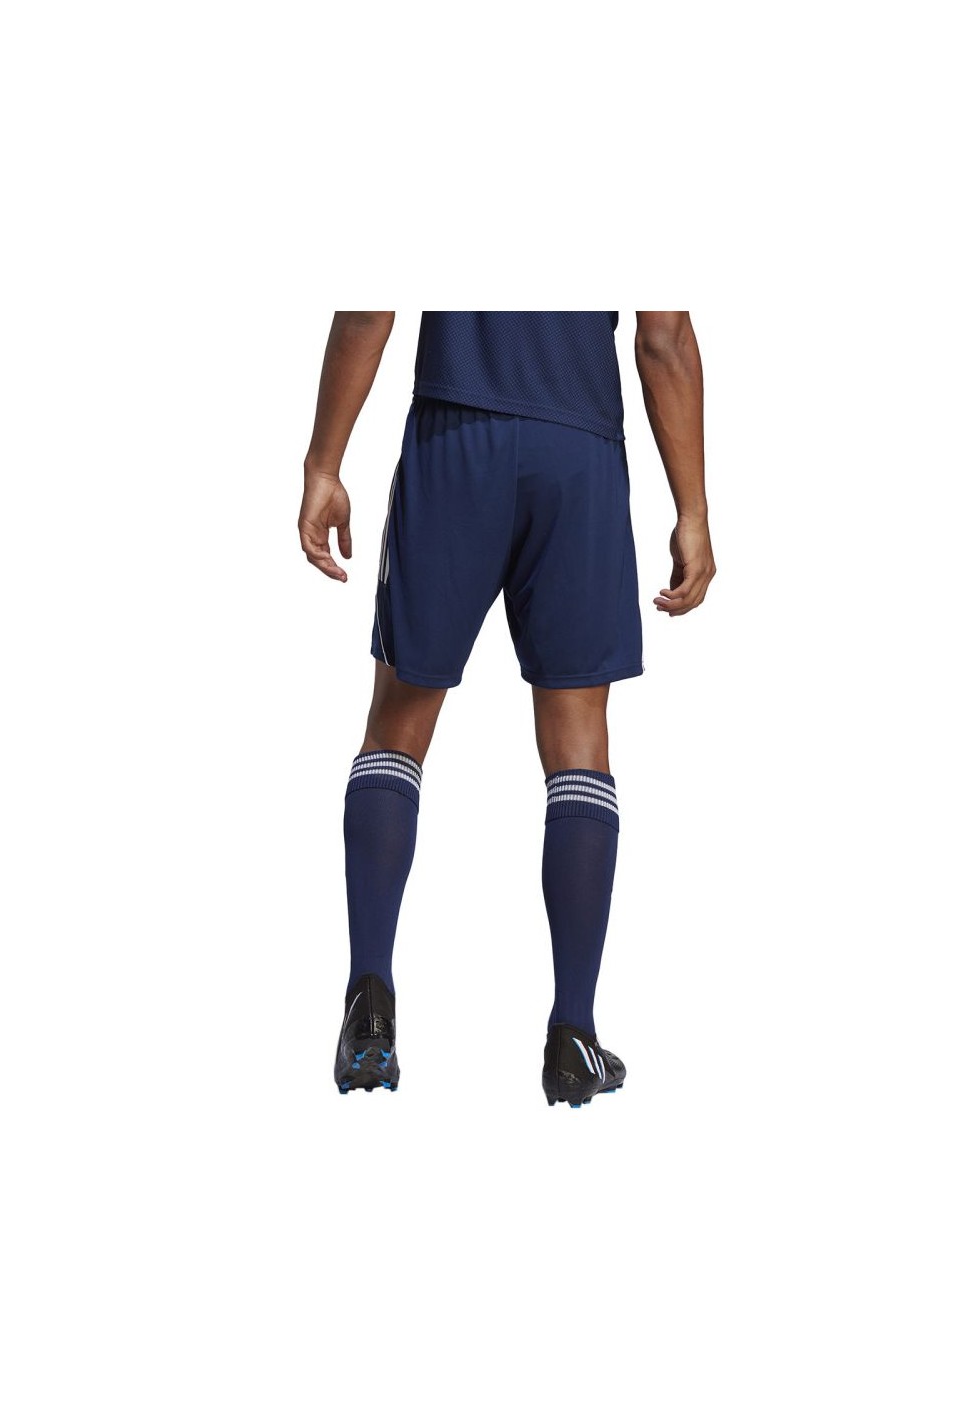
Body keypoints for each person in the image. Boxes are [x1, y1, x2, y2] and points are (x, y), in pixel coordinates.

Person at [299, 312, 715, 1107]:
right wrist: (691, 510)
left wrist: (325, 462)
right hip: (578, 449)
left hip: (457, 433)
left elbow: (369, 309)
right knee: (579, 738)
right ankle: (573, 1036)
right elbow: (663, 337)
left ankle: (369, 1005)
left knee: (398, 723)